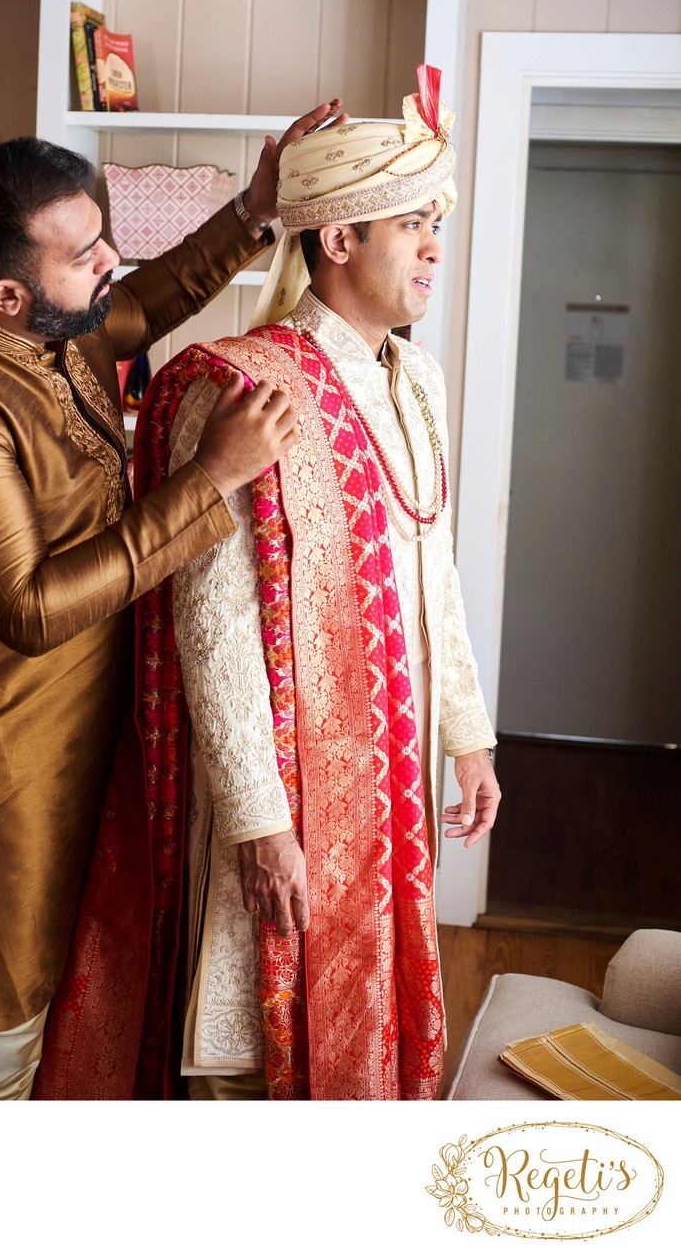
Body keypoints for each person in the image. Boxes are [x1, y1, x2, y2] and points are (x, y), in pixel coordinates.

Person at [33, 67, 501, 1102]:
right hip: (281, 787)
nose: (433, 247)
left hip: (390, 773)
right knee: (253, 1048)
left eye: (436, 222)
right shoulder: (238, 385)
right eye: (410, 224)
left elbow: (436, 571)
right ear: (337, 241)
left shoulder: (414, 381)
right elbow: (212, 624)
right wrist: (258, 822)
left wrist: (465, 735)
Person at [0, 105, 341, 1100]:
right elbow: (31, 608)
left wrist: (254, 212)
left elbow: (129, 311)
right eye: (87, 253)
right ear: (5, 292)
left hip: (73, 726)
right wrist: (209, 480)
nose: (113, 260)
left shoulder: (44, 320)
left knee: (55, 994)